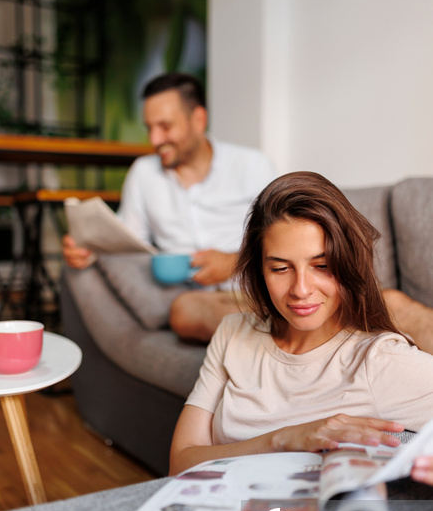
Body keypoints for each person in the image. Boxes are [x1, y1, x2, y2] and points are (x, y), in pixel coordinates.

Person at [169, 171, 433, 476]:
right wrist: (282, 440)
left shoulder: (378, 360)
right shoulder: (232, 332)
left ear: (346, 262)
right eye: (281, 268)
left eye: (321, 266)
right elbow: (180, 463)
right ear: (260, 270)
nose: (301, 289)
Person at [62, 72, 276, 341]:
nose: (154, 139)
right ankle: (279, 335)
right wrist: (89, 248)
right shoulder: (143, 173)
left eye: (165, 126)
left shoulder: (253, 166)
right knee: (185, 312)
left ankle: (272, 331)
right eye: (149, 127)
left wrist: (235, 263)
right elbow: (126, 239)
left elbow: (284, 240)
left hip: (257, 291)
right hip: (201, 301)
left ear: (198, 119)